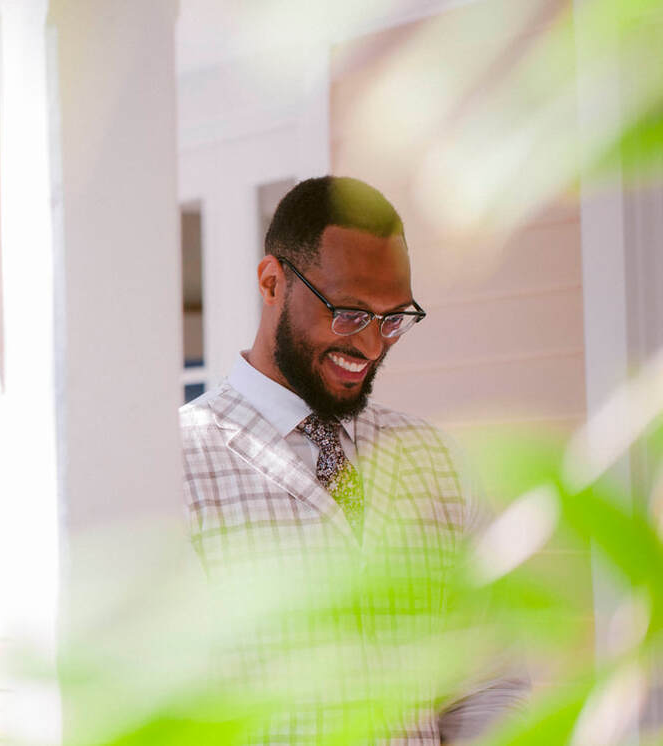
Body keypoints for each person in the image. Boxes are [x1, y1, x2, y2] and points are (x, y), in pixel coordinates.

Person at [179, 176, 527, 744]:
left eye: (393, 318)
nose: (371, 345)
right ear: (272, 283)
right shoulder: (183, 465)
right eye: (348, 312)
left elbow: (491, 681)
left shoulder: (435, 461)